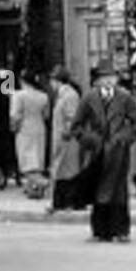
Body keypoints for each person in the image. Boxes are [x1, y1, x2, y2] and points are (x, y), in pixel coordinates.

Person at [72, 60, 136, 242]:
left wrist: (124, 138)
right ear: (97, 80)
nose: (109, 81)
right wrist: (91, 140)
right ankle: (99, 231)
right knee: (99, 190)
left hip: (118, 151)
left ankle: (120, 231)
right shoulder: (89, 98)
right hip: (97, 152)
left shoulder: (125, 97)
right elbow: (76, 126)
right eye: (104, 77)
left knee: (118, 191)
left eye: (112, 77)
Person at [11, 70, 51, 198]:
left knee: (26, 162)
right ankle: (34, 190)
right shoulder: (43, 96)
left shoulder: (18, 95)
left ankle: (43, 182)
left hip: (24, 129)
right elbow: (46, 115)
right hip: (39, 128)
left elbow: (15, 115)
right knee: (37, 160)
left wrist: (14, 128)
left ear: (22, 80)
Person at [48, 66, 83, 211]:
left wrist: (68, 132)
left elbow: (72, 116)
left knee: (66, 170)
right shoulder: (63, 95)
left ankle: (68, 201)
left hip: (67, 140)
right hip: (62, 139)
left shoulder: (70, 95)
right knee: (61, 170)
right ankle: (60, 202)